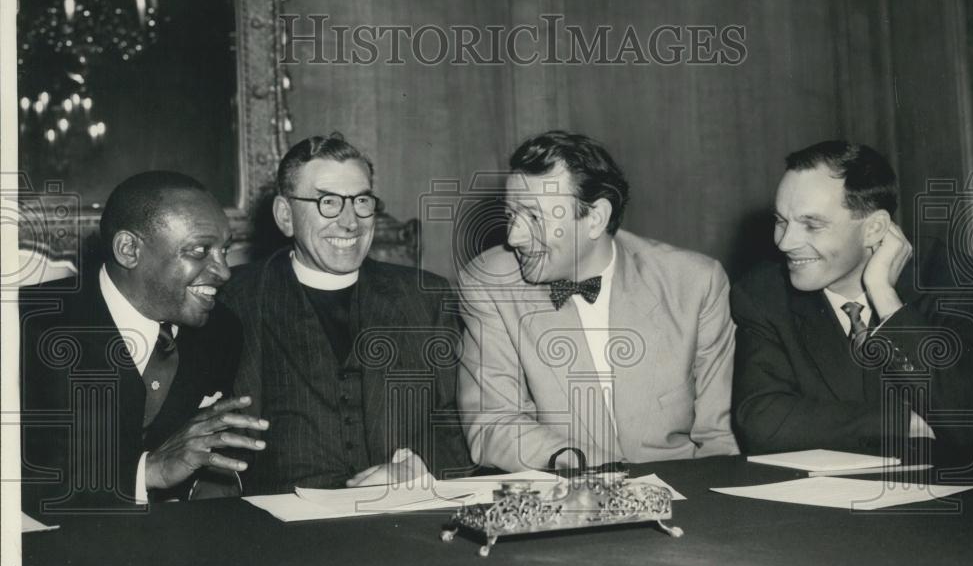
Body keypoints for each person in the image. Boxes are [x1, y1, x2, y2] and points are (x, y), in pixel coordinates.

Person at [457, 130, 739, 472]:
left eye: (533, 217)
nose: (514, 236)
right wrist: (580, 464)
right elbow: (492, 424)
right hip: (564, 495)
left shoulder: (695, 283)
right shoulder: (491, 282)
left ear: (595, 218)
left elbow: (717, 439)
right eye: (511, 215)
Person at [219, 132, 472, 494]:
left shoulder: (424, 298)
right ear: (285, 216)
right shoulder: (236, 300)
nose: (351, 222)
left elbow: (457, 424)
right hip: (279, 533)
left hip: (401, 518)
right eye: (328, 203)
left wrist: (419, 471)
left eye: (362, 201)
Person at [20, 171, 268, 517]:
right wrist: (147, 471)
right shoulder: (24, 326)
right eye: (199, 251)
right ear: (129, 249)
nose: (224, 271)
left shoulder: (221, 329)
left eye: (224, 250)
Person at [731, 141, 973, 466]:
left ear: (873, 228)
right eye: (781, 221)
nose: (784, 242)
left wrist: (886, 299)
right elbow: (762, 422)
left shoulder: (954, 282)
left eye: (811, 224)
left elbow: (972, 425)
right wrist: (905, 424)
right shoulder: (763, 292)